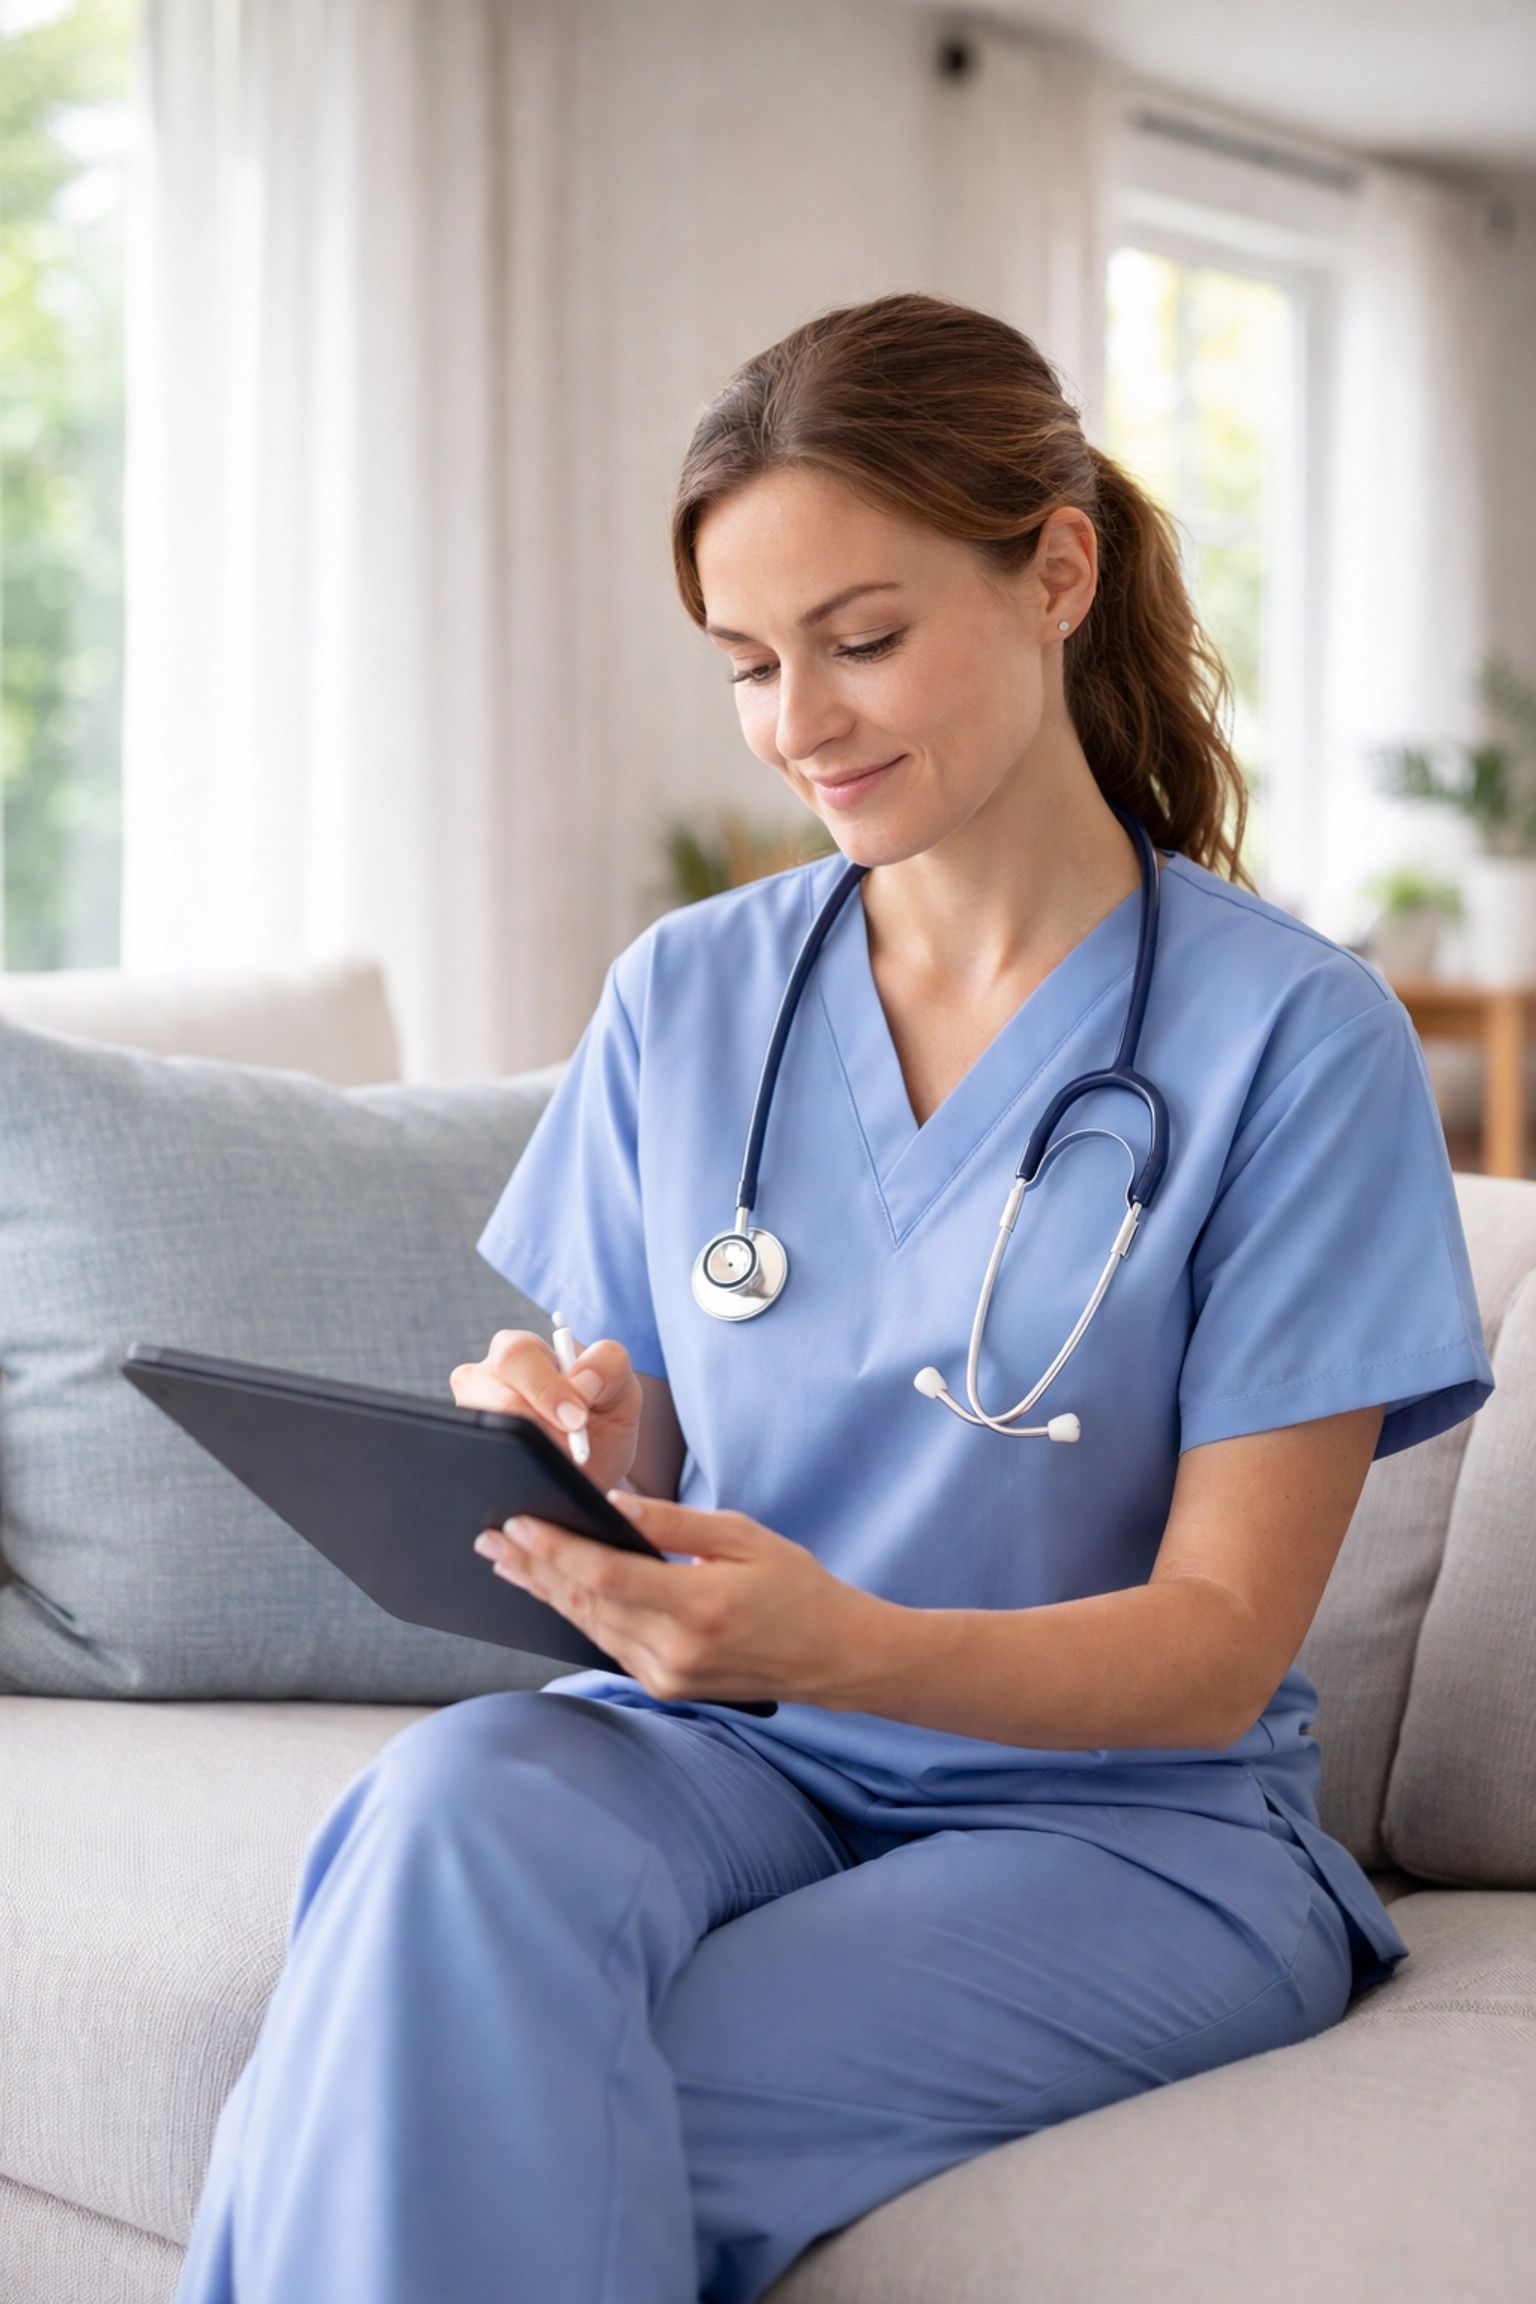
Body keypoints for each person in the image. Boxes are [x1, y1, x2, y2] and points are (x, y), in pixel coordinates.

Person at [176, 294, 1492, 2304]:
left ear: (1056, 570)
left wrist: (846, 1642)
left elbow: (1219, 1651)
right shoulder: (689, 995)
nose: (802, 724)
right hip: (739, 1754)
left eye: (863, 638)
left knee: (471, 2102)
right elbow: (668, 1425)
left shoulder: (1293, 1043)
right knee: (453, 1795)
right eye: (750, 665)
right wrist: (595, 1441)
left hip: (1127, 1835)